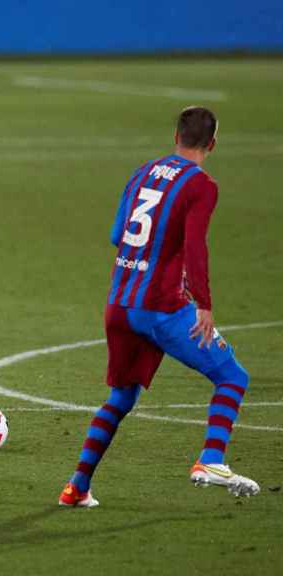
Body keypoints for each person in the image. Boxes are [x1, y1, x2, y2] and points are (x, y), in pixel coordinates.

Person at [59, 106, 259, 507]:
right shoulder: (202, 185)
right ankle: (211, 460)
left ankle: (76, 488)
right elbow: (196, 246)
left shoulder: (143, 172)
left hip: (119, 305)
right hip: (162, 309)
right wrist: (203, 304)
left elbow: (119, 234)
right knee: (232, 377)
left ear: (176, 137)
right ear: (213, 143)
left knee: (121, 398)